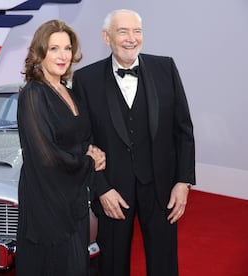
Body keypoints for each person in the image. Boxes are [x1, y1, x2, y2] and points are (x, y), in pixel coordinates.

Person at [72, 9, 196, 276]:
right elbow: (83, 141)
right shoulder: (85, 79)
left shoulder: (166, 68)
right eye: (122, 31)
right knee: (113, 265)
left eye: (137, 31)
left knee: (164, 264)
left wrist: (183, 182)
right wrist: (102, 189)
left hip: (162, 188)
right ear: (107, 37)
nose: (131, 38)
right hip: (113, 191)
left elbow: (183, 130)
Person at [15, 19, 106, 276]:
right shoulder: (33, 94)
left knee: (76, 264)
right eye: (54, 48)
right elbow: (46, 156)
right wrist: (89, 161)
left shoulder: (67, 90)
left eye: (67, 48)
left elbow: (79, 137)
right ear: (39, 52)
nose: (63, 55)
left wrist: (91, 150)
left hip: (73, 198)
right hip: (47, 202)